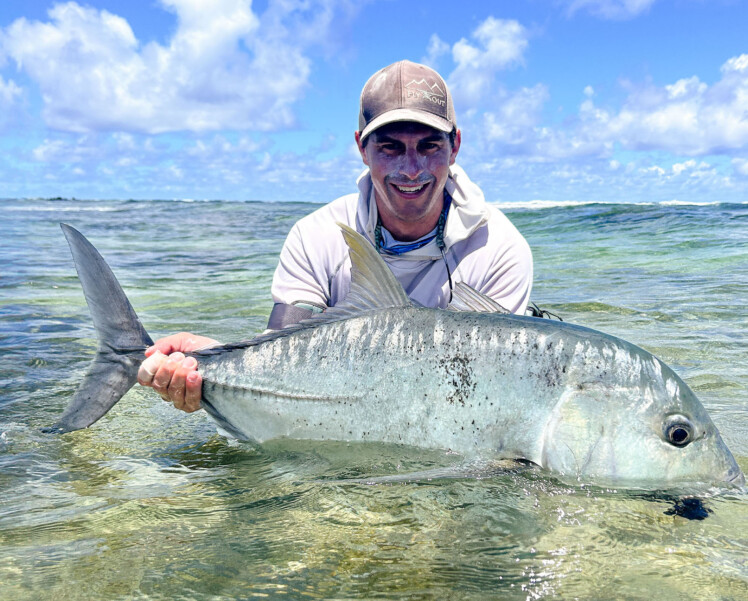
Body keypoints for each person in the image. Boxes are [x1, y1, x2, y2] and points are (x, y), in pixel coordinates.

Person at [137, 59, 533, 413]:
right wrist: (209, 359)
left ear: (455, 146)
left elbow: (486, 390)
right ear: (362, 147)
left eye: (429, 146)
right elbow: (281, 351)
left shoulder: (499, 249)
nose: (412, 169)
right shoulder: (315, 236)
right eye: (390, 148)